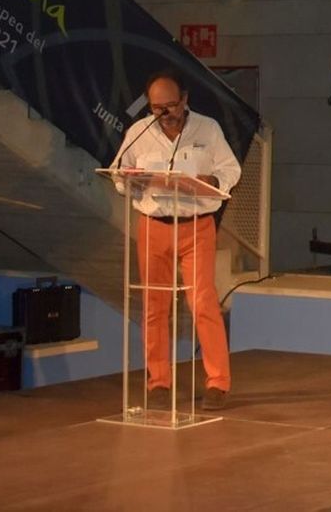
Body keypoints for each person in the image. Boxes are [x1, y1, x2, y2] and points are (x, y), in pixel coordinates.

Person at [111, 68, 241, 410]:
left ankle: (218, 383)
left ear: (184, 99)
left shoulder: (207, 128)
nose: (164, 113)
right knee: (154, 305)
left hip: (196, 225)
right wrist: (132, 181)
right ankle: (158, 382)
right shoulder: (139, 132)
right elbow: (119, 174)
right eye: (157, 108)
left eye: (170, 106)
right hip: (153, 225)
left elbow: (231, 170)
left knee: (202, 303)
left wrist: (212, 180)